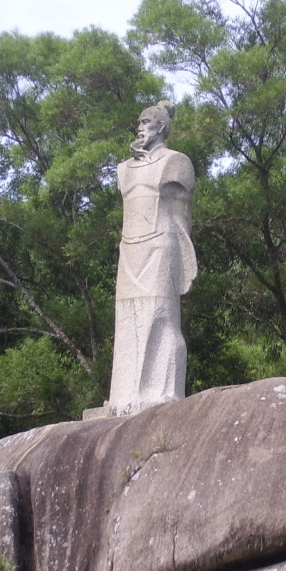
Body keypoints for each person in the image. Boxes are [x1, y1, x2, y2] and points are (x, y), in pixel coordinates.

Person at [107, 100, 197, 413]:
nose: (140, 128)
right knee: (128, 319)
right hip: (130, 249)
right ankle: (124, 395)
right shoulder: (123, 169)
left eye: (146, 122)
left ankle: (161, 393)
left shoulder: (177, 162)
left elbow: (183, 217)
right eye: (139, 122)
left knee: (160, 316)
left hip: (162, 246)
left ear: (160, 126)